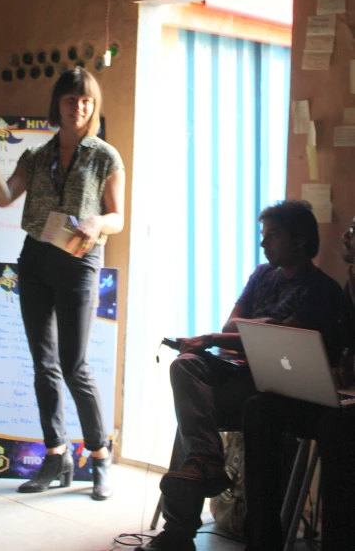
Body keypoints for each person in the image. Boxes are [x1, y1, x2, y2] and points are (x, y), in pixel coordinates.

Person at [0, 67, 125, 499]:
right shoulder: (37, 155)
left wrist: (97, 221)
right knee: (43, 364)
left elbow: (118, 217)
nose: (78, 107)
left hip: (81, 262)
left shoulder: (105, 156)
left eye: (85, 101)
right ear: (57, 104)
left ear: (93, 106)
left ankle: (98, 457)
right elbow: (5, 197)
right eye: (70, 99)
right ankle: (56, 453)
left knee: (74, 365)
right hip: (36, 259)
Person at [136, 200, 344, 551]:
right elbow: (232, 326)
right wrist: (259, 329)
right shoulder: (262, 275)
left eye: (272, 236)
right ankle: (206, 460)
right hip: (237, 373)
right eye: (263, 236)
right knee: (186, 365)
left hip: (273, 387)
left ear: (300, 240)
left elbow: (281, 345)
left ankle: (178, 530)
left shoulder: (321, 290)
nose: (264, 244)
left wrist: (234, 335)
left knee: (195, 412)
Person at [242, 214, 355, 551]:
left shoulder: (323, 289)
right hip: (343, 396)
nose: (347, 235)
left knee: (337, 427)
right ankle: (262, 541)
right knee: (260, 409)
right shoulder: (350, 285)